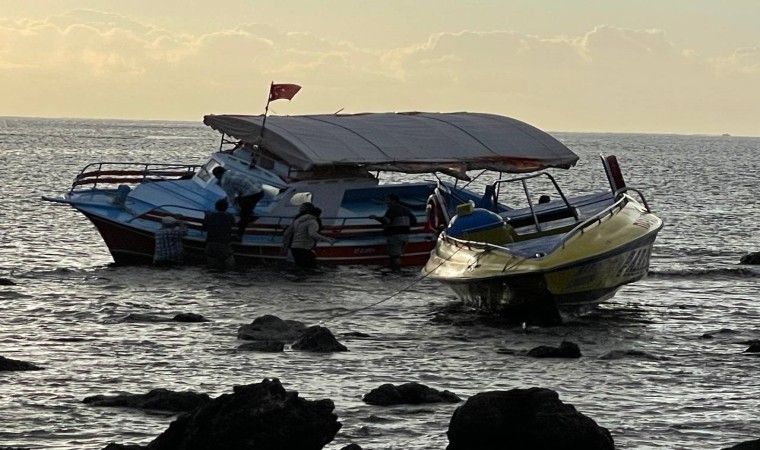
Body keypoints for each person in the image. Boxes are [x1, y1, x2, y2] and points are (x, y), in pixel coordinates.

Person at [212, 166, 264, 240]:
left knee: (244, 215)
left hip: (252, 195)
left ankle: (239, 235)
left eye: (215, 176)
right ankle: (251, 214)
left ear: (218, 174)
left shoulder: (225, 181)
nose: (216, 178)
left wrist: (238, 211)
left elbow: (232, 198)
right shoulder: (230, 171)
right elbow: (237, 188)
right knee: (243, 203)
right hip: (259, 191)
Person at [369, 194, 418, 271]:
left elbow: (386, 220)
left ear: (393, 201)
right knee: (397, 255)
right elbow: (414, 221)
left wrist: (375, 217)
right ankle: (394, 269)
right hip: (405, 236)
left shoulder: (392, 210)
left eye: (387, 200)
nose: (386, 202)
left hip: (395, 236)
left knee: (394, 256)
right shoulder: (406, 210)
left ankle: (396, 271)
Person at [203, 199, 236, 269]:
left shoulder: (210, 216)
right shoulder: (230, 217)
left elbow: (204, 226)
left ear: (216, 207)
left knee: (211, 267)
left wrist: (206, 216)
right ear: (226, 208)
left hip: (211, 244)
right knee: (229, 267)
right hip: (224, 245)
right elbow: (233, 223)